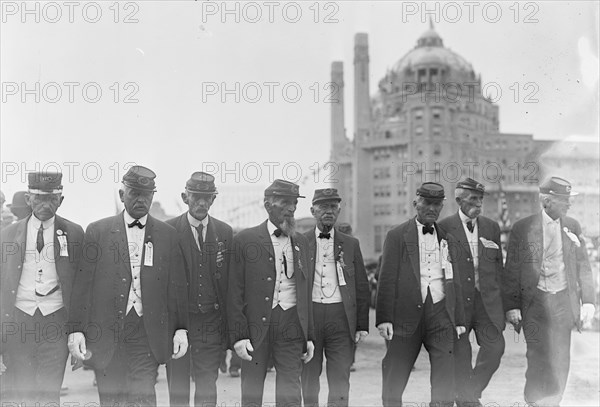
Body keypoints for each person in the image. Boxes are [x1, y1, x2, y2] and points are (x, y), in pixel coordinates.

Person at [67, 165, 189, 407]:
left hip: (147, 334)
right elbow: (83, 286)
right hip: (105, 334)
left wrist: (181, 329)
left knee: (143, 396)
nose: (141, 200)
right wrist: (76, 329)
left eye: (147, 194)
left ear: (153, 196)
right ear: (122, 195)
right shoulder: (97, 232)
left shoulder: (168, 235)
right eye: (134, 193)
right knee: (111, 399)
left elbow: (177, 288)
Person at [503, 176, 595, 406]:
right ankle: (533, 401)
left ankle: (554, 402)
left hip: (563, 302)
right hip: (535, 303)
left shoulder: (572, 226)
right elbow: (512, 269)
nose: (569, 204)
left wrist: (589, 301)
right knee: (537, 356)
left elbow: (583, 265)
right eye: (564, 200)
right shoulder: (523, 228)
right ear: (546, 201)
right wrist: (512, 305)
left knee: (561, 357)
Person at [376, 182, 466, 407]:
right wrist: (384, 318)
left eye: (437, 204)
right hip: (406, 317)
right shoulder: (397, 235)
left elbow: (455, 281)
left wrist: (460, 319)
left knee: (445, 373)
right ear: (416, 203)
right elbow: (386, 278)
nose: (432, 208)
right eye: (427, 203)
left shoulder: (448, 237)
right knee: (395, 373)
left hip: (440, 314)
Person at [227, 179, 315, 407]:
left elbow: (306, 291)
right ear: (267, 205)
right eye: (285, 202)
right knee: (252, 392)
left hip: (291, 327)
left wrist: (310, 335)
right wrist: (239, 336)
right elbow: (234, 292)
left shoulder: (302, 242)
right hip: (256, 329)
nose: (292, 208)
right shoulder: (245, 240)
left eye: (294, 203)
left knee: (291, 392)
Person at [0, 172, 84, 405]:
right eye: (38, 198)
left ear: (61, 200)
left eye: (52, 198)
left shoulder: (74, 233)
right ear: (28, 199)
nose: (45, 204)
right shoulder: (7, 236)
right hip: (19, 324)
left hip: (55, 325)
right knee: (22, 392)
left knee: (49, 393)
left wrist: (78, 332)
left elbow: (81, 287)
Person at [166, 172, 233, 407]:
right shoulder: (169, 231)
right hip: (178, 323)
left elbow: (230, 283)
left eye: (208, 198)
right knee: (178, 385)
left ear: (213, 199)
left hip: (210, 322)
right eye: (196, 197)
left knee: (207, 384)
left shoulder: (225, 232)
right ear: (185, 197)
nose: (202, 203)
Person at [438, 178, 505, 407]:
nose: (478, 203)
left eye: (481, 199)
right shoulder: (444, 227)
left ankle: (470, 391)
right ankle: (468, 401)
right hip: (458, 303)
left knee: (495, 348)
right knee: (461, 353)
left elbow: (498, 267)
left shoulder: (491, 227)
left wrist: (503, 303)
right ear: (458, 201)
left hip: (486, 301)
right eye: (473, 199)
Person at [301, 188, 369, 407]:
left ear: (339, 211)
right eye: (323, 207)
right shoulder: (299, 242)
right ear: (313, 210)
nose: (328, 212)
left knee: (340, 376)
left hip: (340, 318)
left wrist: (361, 325)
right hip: (310, 317)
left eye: (333, 207)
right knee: (309, 376)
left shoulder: (351, 244)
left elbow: (361, 285)